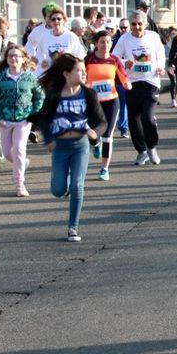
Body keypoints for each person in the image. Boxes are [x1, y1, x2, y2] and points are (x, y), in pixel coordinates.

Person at [32, 53, 106, 242]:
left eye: (84, 71)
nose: (83, 74)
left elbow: (101, 121)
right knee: (58, 190)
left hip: (80, 145)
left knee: (77, 185)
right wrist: (48, 139)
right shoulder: (54, 94)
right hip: (60, 146)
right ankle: (62, 183)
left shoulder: (89, 94)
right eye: (79, 71)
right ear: (66, 74)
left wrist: (95, 133)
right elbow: (45, 119)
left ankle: (73, 227)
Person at [0, 43, 44, 197]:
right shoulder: (1, 78)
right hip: (5, 120)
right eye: (10, 55)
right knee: (7, 153)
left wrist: (32, 115)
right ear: (6, 59)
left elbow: (40, 97)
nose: (13, 58)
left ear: (24, 59)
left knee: (19, 148)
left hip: (23, 120)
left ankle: (20, 185)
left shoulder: (30, 78)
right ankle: (22, 162)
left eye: (17, 56)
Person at [112, 11, 166, 166]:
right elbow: (115, 58)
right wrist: (124, 62)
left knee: (147, 118)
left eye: (139, 24)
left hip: (151, 82)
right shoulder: (124, 39)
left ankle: (152, 147)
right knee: (134, 119)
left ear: (145, 24)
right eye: (133, 24)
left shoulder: (153, 37)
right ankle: (141, 151)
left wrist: (161, 67)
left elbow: (160, 53)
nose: (137, 27)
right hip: (132, 82)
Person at [85, 29, 130, 180]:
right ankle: (95, 144)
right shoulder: (89, 59)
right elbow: (81, 76)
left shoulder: (115, 59)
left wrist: (126, 84)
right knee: (92, 132)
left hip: (111, 100)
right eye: (102, 42)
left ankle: (104, 169)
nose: (105, 45)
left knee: (108, 135)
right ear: (96, 44)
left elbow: (122, 74)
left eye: (108, 42)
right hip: (93, 103)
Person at [26, 4, 87, 77]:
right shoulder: (44, 37)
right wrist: (40, 61)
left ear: (64, 20)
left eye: (59, 19)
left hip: (66, 75)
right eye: (53, 19)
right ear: (50, 22)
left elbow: (80, 56)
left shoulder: (71, 36)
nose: (56, 21)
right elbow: (38, 54)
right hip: (49, 74)